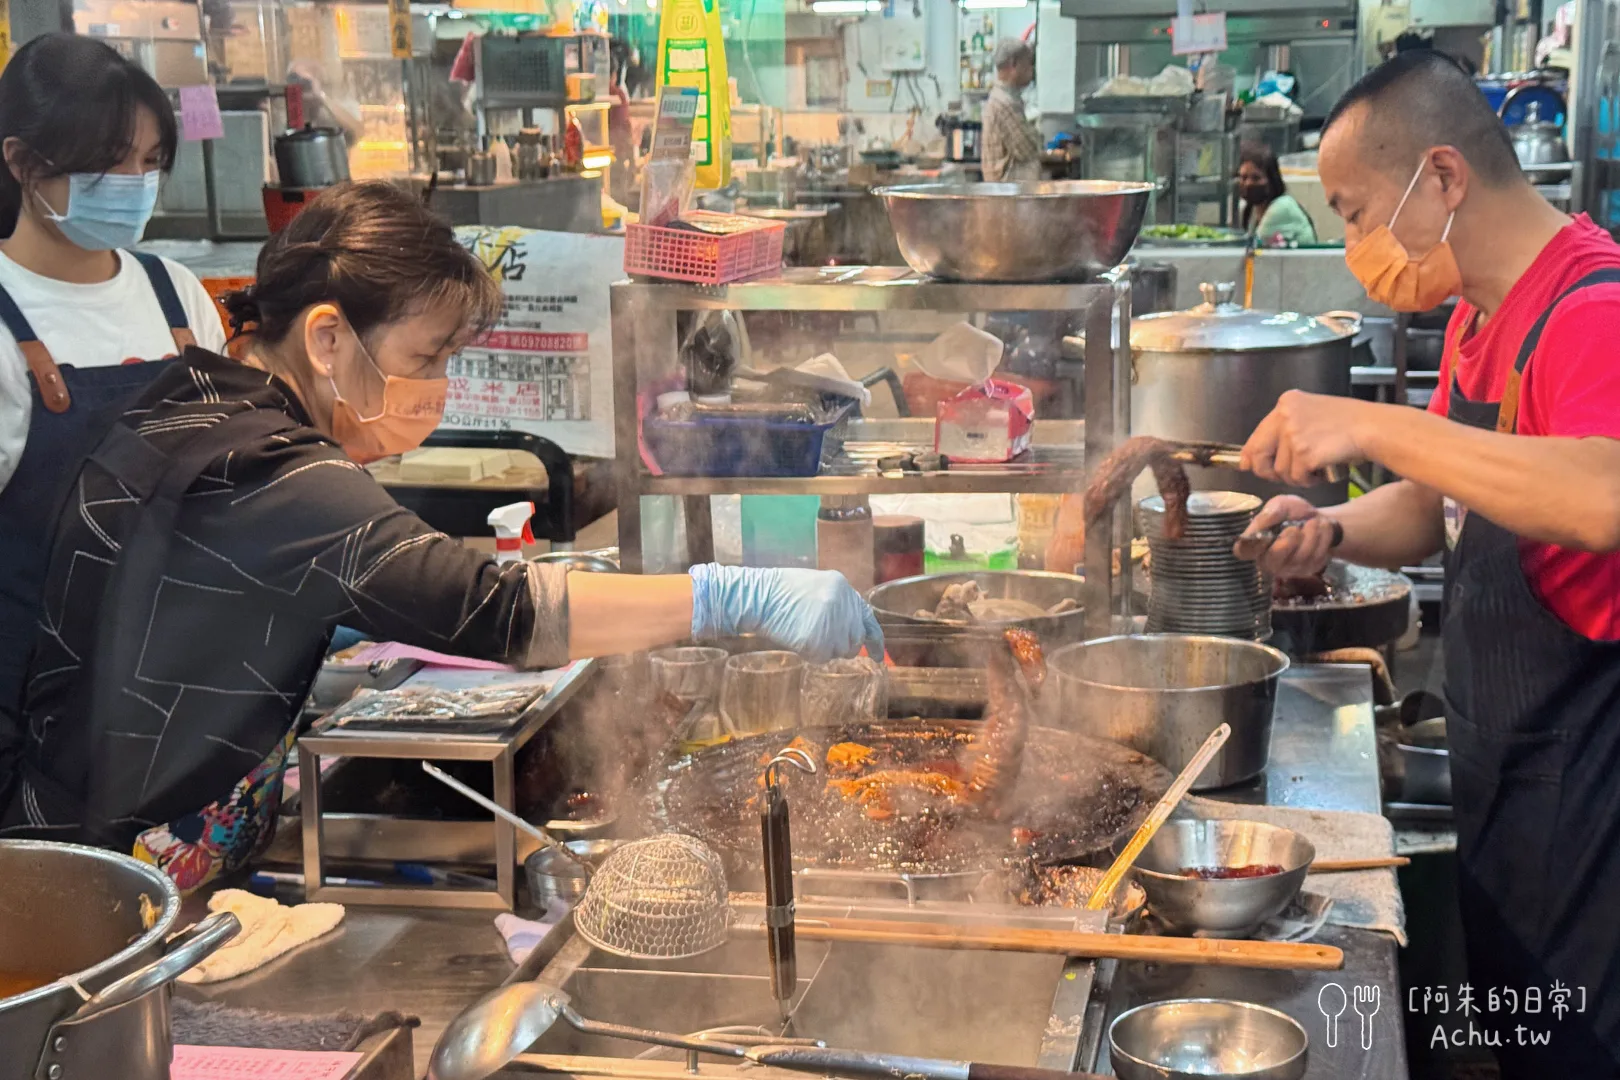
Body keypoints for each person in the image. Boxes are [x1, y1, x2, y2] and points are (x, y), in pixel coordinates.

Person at [0, 181, 882, 890]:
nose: (440, 386)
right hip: (106, 867)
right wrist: (731, 593)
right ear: (327, 339)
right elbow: (494, 611)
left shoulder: (198, 397)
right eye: (426, 358)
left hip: (90, 816)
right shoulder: (277, 472)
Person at [1237, 51, 1620, 1076]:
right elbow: (1441, 503)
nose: (1359, 247)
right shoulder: (1479, 315)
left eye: (1358, 214)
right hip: (1508, 778)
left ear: (1443, 178)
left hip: (1589, 795)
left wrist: (1371, 425)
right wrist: (1331, 531)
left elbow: (1599, 495)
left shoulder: (1591, 309)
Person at [0, 34, 228, 724]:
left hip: (185, 686)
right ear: (22, 162)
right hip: (35, 707)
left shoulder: (177, 296)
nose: (134, 181)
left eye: (150, 161)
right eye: (108, 162)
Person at [980, 39, 1042, 183]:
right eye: (1028, 64)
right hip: (1009, 196)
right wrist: (1037, 136)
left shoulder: (1005, 99)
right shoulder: (1004, 103)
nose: (1031, 70)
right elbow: (1028, 149)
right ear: (1014, 64)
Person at [1236, 143, 1316, 246]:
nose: (1248, 183)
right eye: (1243, 177)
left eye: (1256, 178)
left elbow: (1253, 250)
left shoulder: (1282, 207)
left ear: (1271, 180)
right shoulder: (1252, 210)